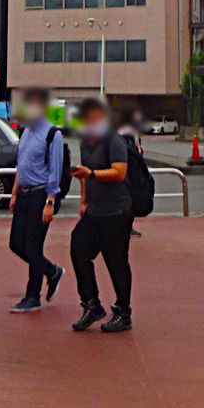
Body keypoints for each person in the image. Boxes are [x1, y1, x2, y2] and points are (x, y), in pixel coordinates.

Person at [70, 97, 133, 333]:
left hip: (117, 211)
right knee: (78, 250)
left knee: (115, 261)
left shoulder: (113, 140)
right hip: (94, 212)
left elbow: (119, 172)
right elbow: (85, 174)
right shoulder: (86, 142)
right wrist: (84, 200)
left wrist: (92, 173)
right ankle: (92, 304)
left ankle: (123, 312)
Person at [7, 86, 65, 313]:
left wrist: (50, 201)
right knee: (16, 243)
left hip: (42, 194)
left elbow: (55, 170)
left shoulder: (53, 134)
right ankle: (51, 271)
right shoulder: (26, 132)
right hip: (24, 193)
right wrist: (14, 192)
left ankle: (33, 296)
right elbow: (21, 165)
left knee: (33, 245)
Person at [116, 102, 145, 238]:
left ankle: (127, 226)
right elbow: (130, 151)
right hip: (129, 170)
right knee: (127, 199)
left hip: (130, 168)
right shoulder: (125, 131)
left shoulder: (128, 129)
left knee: (128, 198)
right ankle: (126, 227)